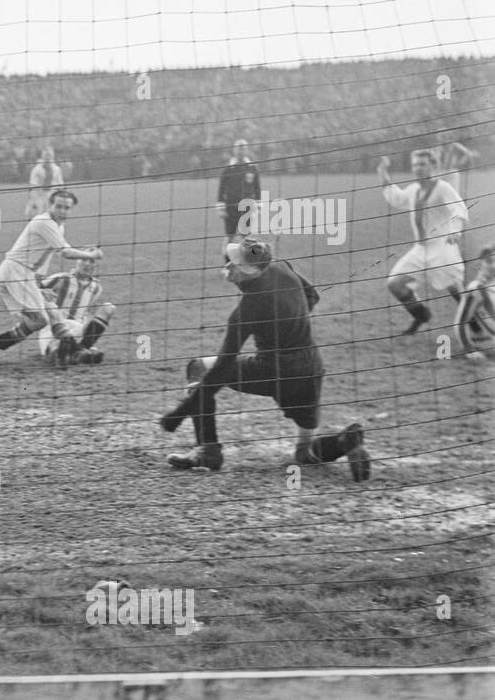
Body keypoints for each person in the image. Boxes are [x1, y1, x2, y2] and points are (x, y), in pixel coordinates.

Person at [159, 239, 370, 479]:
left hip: (273, 369)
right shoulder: (282, 266)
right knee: (304, 455)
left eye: (234, 263)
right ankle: (346, 441)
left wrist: (179, 412)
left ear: (249, 271)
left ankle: (209, 451)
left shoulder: (249, 308)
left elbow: (222, 366)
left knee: (198, 367)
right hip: (311, 367)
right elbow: (312, 296)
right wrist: (287, 324)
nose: (227, 265)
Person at [0, 188, 103, 366]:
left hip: (25, 273)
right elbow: (65, 253)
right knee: (41, 319)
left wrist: (39, 285)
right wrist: (91, 256)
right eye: (59, 206)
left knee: (50, 311)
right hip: (15, 271)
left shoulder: (58, 226)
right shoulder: (44, 221)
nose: (62, 211)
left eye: (67, 208)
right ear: (50, 205)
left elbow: (45, 257)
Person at [378, 149, 468, 335]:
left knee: (454, 287)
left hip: (443, 246)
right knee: (395, 284)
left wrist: (455, 232)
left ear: (432, 166)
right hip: (420, 249)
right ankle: (421, 316)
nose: (417, 168)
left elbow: (458, 209)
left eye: (422, 164)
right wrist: (382, 172)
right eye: (415, 165)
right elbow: (397, 198)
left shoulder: (442, 187)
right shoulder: (414, 190)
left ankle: (475, 322)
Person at [36, 256, 114, 365]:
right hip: (55, 328)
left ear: (95, 265)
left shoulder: (97, 288)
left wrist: (86, 329)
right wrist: (42, 293)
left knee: (108, 308)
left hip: (78, 328)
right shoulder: (61, 278)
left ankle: (79, 351)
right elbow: (33, 288)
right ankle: (78, 353)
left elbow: (88, 312)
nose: (87, 264)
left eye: (91, 261)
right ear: (76, 261)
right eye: (83, 259)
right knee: (56, 349)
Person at [216, 139, 261, 251]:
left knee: (246, 238)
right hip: (231, 207)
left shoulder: (252, 167)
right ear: (234, 150)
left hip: (247, 207)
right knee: (229, 237)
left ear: (247, 150)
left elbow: (257, 188)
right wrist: (221, 207)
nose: (240, 151)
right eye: (238, 148)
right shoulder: (228, 169)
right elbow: (221, 189)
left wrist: (259, 206)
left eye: (243, 148)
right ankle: (227, 266)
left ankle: (244, 265)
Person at [27, 146, 66, 216]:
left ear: (53, 156)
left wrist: (62, 197)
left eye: (49, 155)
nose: (48, 158)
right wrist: (33, 200)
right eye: (46, 155)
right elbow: (32, 186)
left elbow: (61, 185)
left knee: (53, 215)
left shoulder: (56, 169)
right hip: (40, 196)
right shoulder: (37, 169)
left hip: (52, 195)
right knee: (40, 216)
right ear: (42, 156)